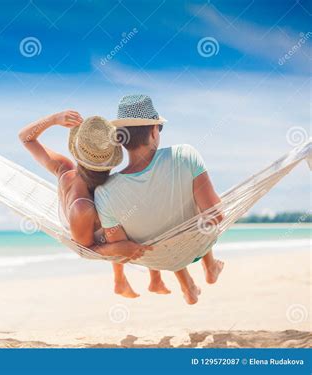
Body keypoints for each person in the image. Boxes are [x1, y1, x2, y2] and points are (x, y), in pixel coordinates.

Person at [95, 94, 224, 304]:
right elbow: (216, 216)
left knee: (159, 219)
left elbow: (121, 249)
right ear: (154, 131)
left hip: (154, 259)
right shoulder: (185, 155)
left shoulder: (104, 192)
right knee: (192, 204)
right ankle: (209, 267)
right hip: (197, 246)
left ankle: (190, 284)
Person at [19, 112, 157, 297]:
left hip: (84, 214)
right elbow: (85, 250)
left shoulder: (65, 168)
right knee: (121, 215)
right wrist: (117, 248)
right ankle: (123, 280)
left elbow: (26, 138)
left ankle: (124, 281)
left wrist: (53, 120)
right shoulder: (84, 207)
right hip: (79, 225)